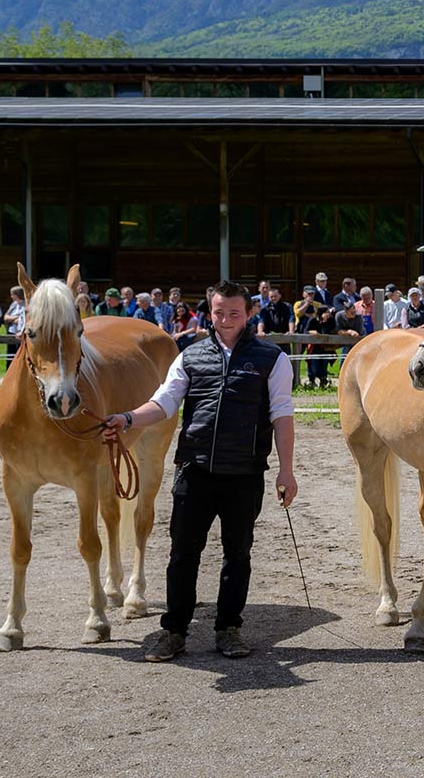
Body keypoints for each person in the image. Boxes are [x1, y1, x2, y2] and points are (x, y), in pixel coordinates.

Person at [102, 280, 297, 662]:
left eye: (234, 313)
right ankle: (174, 631)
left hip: (244, 473)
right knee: (182, 553)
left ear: (249, 314)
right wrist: (126, 418)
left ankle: (228, 628)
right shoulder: (189, 356)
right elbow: (162, 403)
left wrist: (286, 472)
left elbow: (282, 416)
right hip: (195, 470)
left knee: (237, 553)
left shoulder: (272, 359)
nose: (225, 320)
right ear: (210, 311)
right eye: (219, 312)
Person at [305, 306, 336, 388]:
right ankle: (312, 380)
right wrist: (312, 332)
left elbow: (329, 331)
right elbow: (305, 331)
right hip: (314, 347)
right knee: (315, 367)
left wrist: (324, 322)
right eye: (326, 312)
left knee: (324, 365)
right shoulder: (313, 320)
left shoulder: (330, 321)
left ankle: (323, 381)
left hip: (325, 347)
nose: (328, 314)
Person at [257, 285, 295, 353]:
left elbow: (291, 319)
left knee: (285, 359)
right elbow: (261, 321)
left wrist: (291, 331)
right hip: (270, 338)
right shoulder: (265, 309)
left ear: (280, 295)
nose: (273, 298)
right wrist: (260, 331)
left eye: (275, 296)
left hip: (284, 337)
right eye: (271, 297)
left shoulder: (287, 306)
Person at [3, 285, 26, 359]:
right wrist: (16, 318)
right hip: (11, 332)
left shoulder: (25, 304)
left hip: (21, 333)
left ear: (17, 294)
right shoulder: (14, 304)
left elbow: (25, 318)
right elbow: (6, 317)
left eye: (12, 294)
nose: (11, 296)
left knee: (19, 354)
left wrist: (19, 319)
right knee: (10, 354)